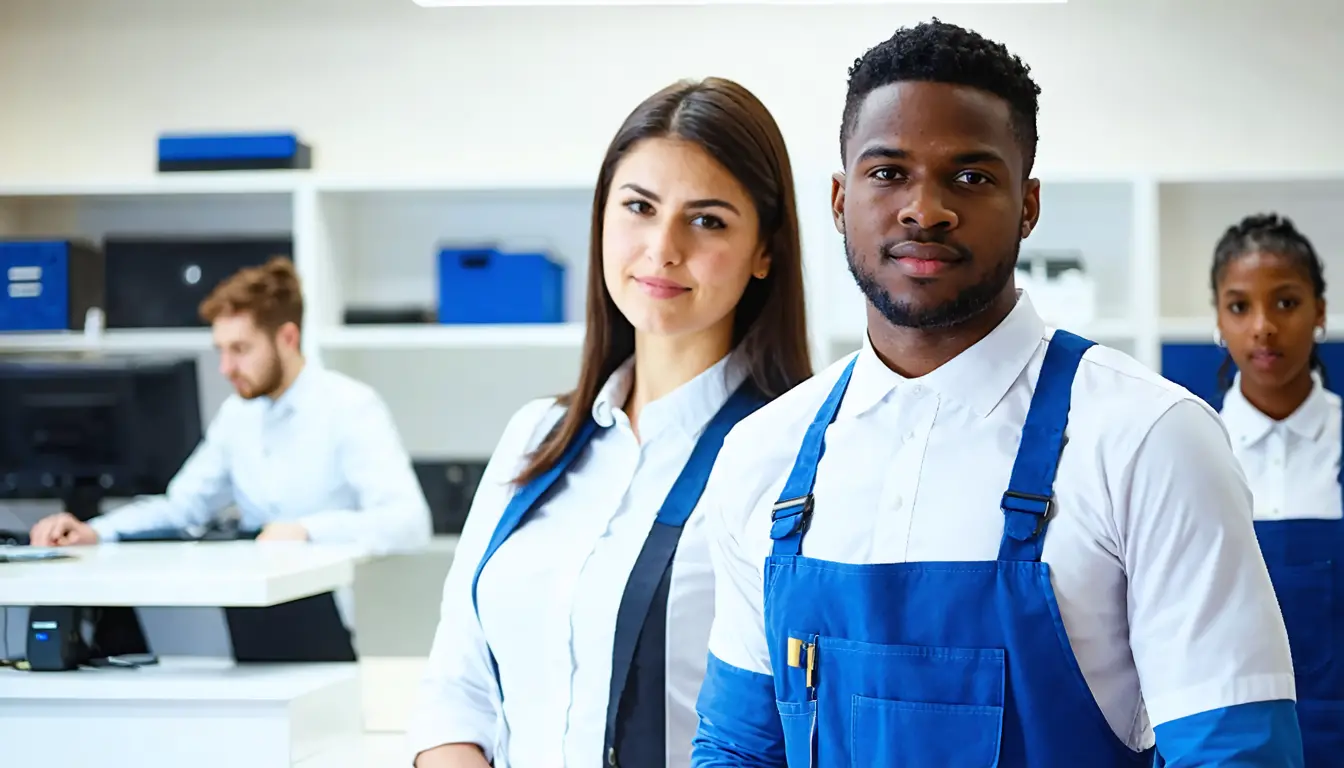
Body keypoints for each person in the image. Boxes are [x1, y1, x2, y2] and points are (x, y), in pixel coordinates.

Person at [689, 20, 1303, 768]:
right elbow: (738, 749)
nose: (926, 209)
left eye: (971, 177)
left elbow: (1236, 754)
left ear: (1028, 205)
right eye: (888, 173)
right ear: (839, 198)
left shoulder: (1152, 438)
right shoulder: (763, 454)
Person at [406, 77, 813, 768]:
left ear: (765, 251)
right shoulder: (536, 436)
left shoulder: (792, 455)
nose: (662, 248)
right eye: (639, 208)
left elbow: (806, 723)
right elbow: (458, 686)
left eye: (707, 219)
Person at [29, 256, 432, 554]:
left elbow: (410, 523)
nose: (225, 368)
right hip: (245, 605)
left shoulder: (349, 406)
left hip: (322, 612)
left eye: (240, 350)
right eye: (220, 350)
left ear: (287, 339)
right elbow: (183, 506)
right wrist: (97, 531)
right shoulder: (238, 414)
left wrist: (306, 530)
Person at [1212, 213, 1341, 766]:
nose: (1263, 326)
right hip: (1229, 743)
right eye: (1239, 307)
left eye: (1286, 302)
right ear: (1217, 319)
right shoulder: (1188, 445)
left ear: (1320, 312)